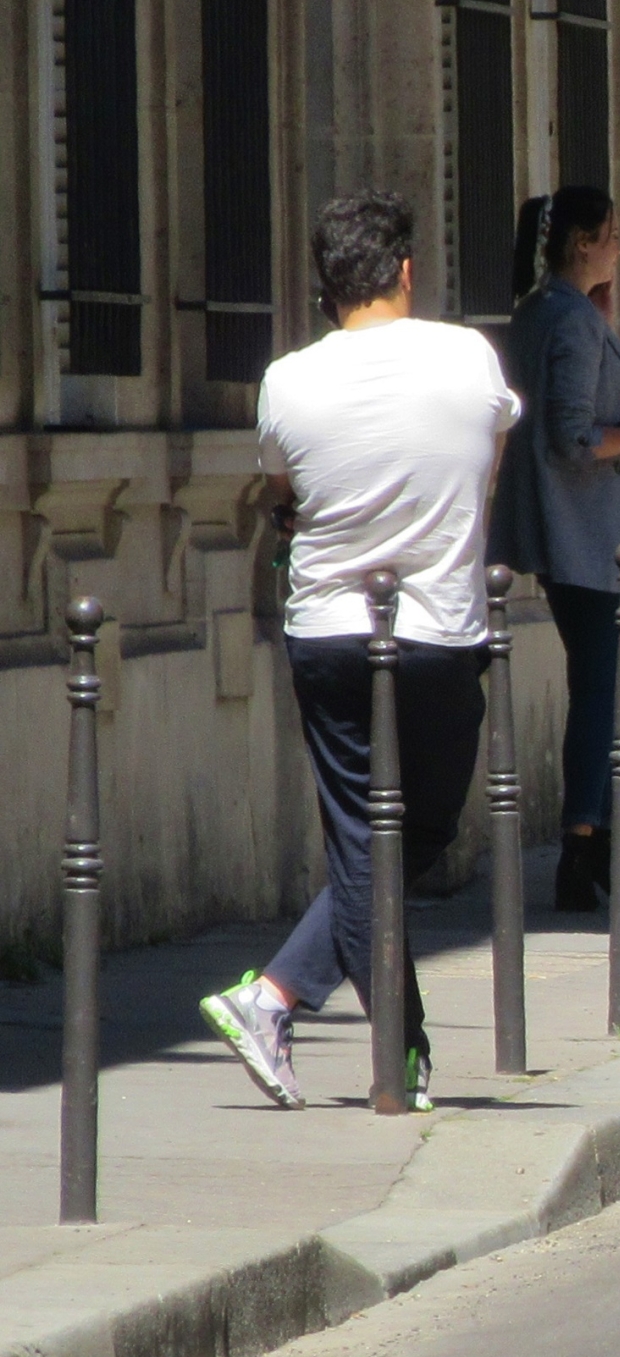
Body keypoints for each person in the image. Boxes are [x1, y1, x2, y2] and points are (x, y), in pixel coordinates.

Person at [198, 191, 521, 1110]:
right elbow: (487, 465)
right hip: (438, 632)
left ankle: (290, 1002)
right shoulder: (469, 356)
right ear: (406, 272)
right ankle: (389, 1052)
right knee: (416, 828)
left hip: (330, 631)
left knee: (361, 840)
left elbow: (284, 492)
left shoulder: (287, 379)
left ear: (324, 288)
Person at [487, 187, 620, 911]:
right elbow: (575, 438)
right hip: (587, 534)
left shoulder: (545, 312)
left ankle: (592, 841)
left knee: (599, 687)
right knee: (601, 692)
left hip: (560, 529)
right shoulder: (569, 322)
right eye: (609, 235)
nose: (617, 248)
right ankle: (582, 842)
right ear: (580, 243)